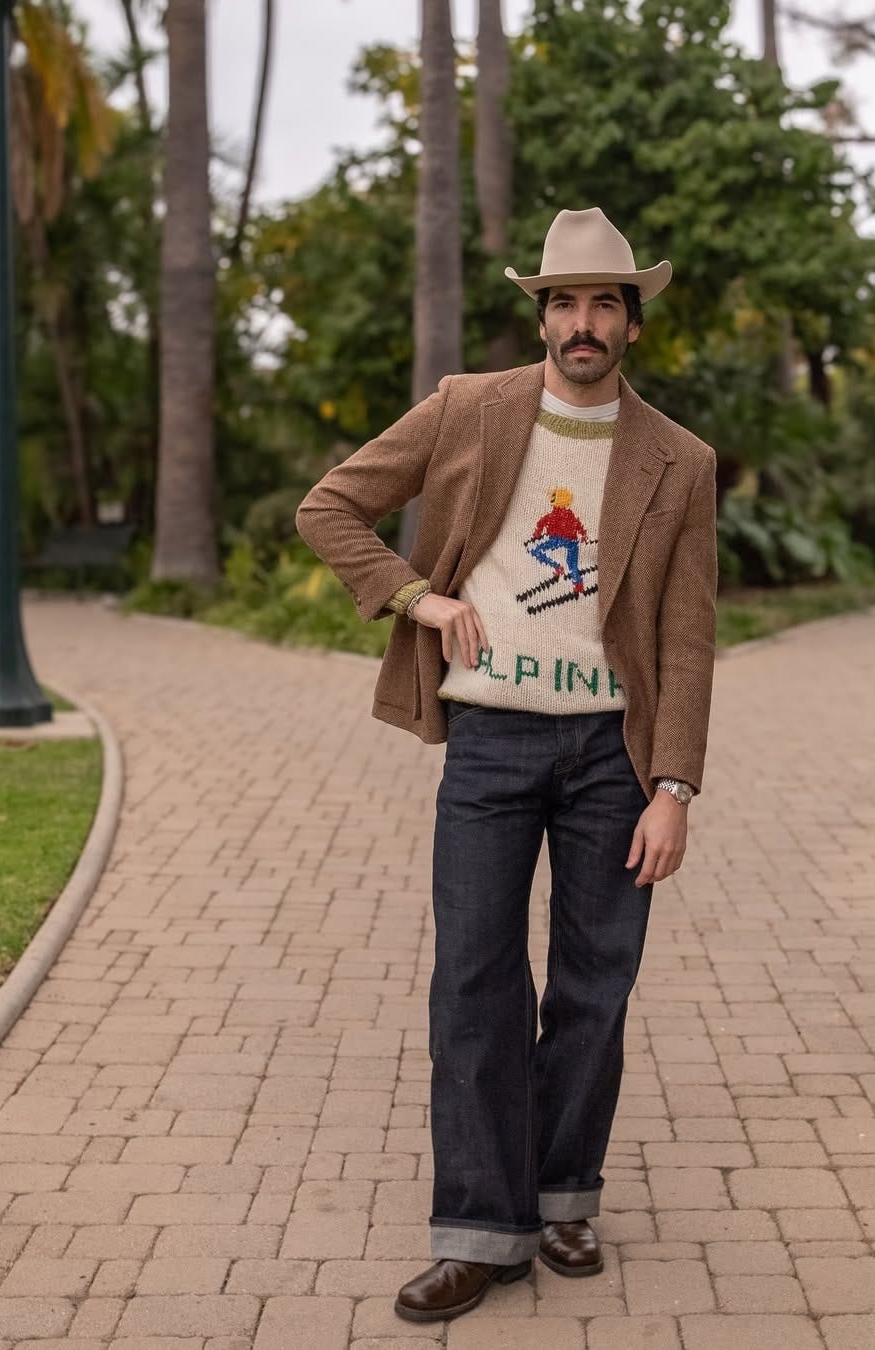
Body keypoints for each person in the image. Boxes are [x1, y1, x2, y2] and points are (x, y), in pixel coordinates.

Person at [295, 206, 719, 1323]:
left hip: (614, 761)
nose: (583, 323)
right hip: (488, 743)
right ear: (542, 314)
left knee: (594, 985)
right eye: (565, 302)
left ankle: (566, 1192)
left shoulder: (680, 461)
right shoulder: (468, 408)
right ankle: (482, 1231)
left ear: (634, 323)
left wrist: (673, 786)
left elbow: (688, 632)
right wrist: (414, 597)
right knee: (475, 981)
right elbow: (328, 505)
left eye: (604, 304)